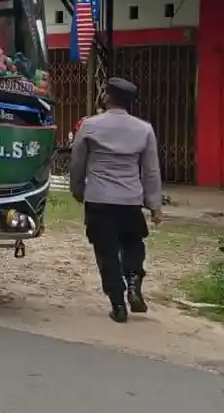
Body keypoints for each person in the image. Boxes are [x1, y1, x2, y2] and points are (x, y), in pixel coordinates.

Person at [69, 77, 163, 323]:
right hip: (130, 200)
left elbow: (77, 163)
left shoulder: (89, 126)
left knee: (106, 252)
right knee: (133, 243)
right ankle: (133, 282)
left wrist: (78, 189)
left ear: (107, 97)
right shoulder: (144, 129)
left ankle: (118, 305)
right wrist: (155, 206)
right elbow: (151, 171)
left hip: (99, 199)